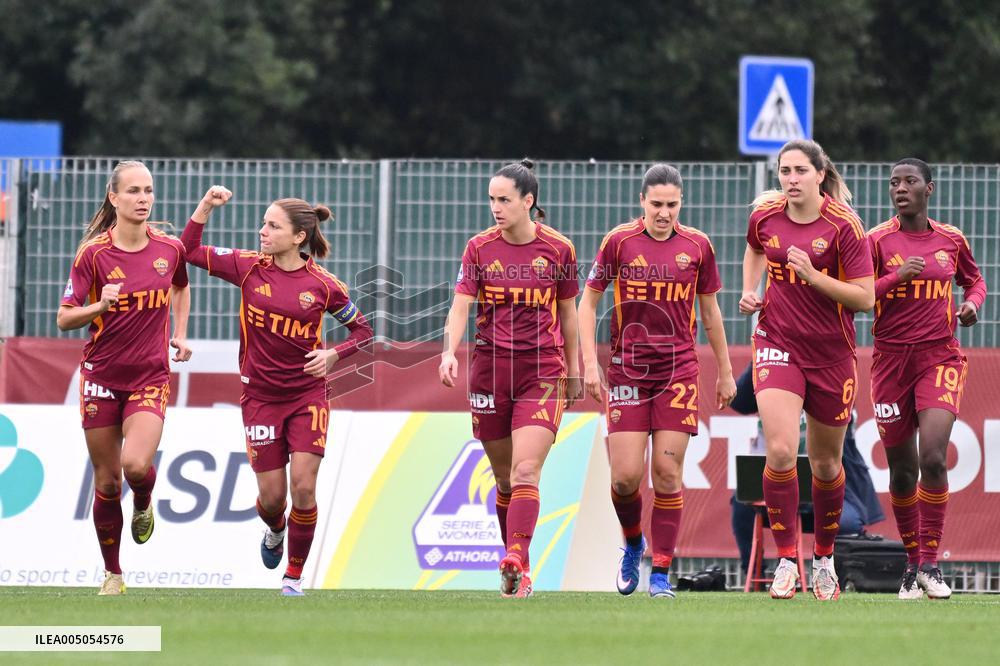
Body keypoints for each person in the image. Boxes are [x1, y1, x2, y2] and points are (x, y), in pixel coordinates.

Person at [181, 187, 373, 596]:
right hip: (260, 399)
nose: (262, 231)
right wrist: (205, 207)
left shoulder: (324, 285)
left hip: (307, 397)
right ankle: (275, 530)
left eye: (272, 226)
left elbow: (364, 331)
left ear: (298, 236)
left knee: (304, 486)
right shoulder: (249, 267)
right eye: (264, 223)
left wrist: (334, 355)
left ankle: (293, 577)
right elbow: (188, 250)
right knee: (272, 500)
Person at [578, 164, 736, 598]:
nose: (664, 213)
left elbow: (710, 313)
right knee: (625, 479)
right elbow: (587, 304)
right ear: (642, 202)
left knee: (667, 473)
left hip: (678, 371)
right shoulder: (619, 242)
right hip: (628, 370)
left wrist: (724, 371)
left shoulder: (698, 246)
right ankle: (633, 543)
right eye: (656, 204)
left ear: (680, 203)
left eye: (672, 205)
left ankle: (662, 573)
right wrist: (589, 364)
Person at [439, 159, 582, 598]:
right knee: (503, 480)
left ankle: (517, 559)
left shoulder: (559, 249)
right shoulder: (479, 248)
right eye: (491, 200)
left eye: (504, 200)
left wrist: (576, 370)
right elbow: (461, 305)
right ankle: (516, 566)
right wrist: (448, 352)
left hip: (542, 371)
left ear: (528, 201)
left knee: (525, 470)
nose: (496, 208)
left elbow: (569, 315)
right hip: (490, 372)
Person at [739, 139, 875, 600]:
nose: (791, 179)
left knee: (825, 463)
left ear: (820, 174)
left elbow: (865, 296)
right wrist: (750, 290)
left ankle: (823, 559)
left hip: (832, 354)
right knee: (779, 450)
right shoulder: (766, 214)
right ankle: (785, 561)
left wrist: (813, 276)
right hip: (776, 341)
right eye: (784, 170)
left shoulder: (844, 226)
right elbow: (756, 249)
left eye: (800, 170)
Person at [57, 160, 193, 595]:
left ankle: (145, 499)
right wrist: (99, 307)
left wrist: (181, 333)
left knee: (135, 466)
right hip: (100, 377)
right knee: (107, 480)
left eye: (148, 191)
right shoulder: (93, 254)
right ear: (114, 197)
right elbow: (64, 318)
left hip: (149, 377)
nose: (143, 199)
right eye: (133, 191)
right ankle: (113, 573)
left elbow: (181, 285)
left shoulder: (169, 249)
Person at [868, 158, 986, 600]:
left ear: (928, 189)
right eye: (894, 182)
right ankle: (912, 563)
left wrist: (972, 305)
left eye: (910, 181)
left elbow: (975, 282)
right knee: (902, 470)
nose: (900, 188)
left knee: (934, 457)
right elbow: (859, 298)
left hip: (940, 358)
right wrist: (896, 276)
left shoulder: (950, 239)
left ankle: (932, 565)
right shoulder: (876, 241)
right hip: (890, 363)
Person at [728, 362, 884, 575]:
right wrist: (762, 359)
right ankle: (755, 572)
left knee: (847, 522)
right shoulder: (776, 376)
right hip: (779, 483)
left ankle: (829, 571)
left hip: (826, 487)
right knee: (742, 506)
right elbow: (739, 402)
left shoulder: (829, 373)